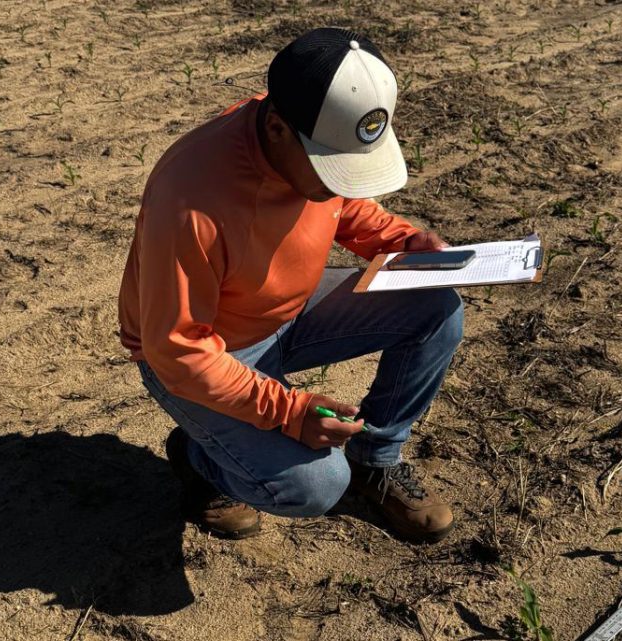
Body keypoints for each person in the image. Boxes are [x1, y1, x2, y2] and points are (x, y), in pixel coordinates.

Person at [118, 27, 464, 543]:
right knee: (315, 486)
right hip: (204, 355)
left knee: (435, 307)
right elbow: (178, 350)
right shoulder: (192, 200)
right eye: (332, 169)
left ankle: (377, 459)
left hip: (289, 313)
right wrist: (291, 412)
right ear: (276, 128)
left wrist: (399, 241)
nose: (338, 183)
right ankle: (199, 459)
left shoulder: (307, 125)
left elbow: (345, 201)